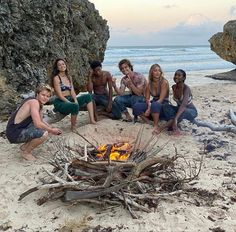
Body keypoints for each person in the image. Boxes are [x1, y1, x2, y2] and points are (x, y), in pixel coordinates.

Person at [6, 84, 62, 161]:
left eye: (48, 96)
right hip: (14, 133)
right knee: (43, 133)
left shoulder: (39, 104)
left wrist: (51, 128)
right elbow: (38, 124)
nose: (45, 97)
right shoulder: (34, 102)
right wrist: (51, 131)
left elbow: (41, 121)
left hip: (16, 129)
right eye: (43, 95)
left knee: (45, 128)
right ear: (37, 94)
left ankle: (24, 147)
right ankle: (26, 152)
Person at [50, 58, 96, 132]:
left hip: (70, 98)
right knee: (74, 105)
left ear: (66, 65)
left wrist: (75, 100)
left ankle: (92, 120)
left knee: (88, 96)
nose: (62, 66)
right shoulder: (56, 78)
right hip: (60, 101)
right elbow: (59, 95)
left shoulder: (69, 77)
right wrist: (70, 103)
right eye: (59, 65)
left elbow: (72, 92)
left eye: (63, 64)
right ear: (57, 67)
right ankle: (73, 127)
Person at [133, 64, 169, 134]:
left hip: (163, 104)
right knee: (136, 106)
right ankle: (148, 121)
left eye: (159, 71)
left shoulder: (164, 82)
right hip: (154, 104)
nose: (158, 72)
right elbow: (147, 99)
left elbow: (161, 99)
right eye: (155, 71)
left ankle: (155, 125)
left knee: (155, 104)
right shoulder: (149, 84)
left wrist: (149, 109)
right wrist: (149, 106)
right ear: (151, 72)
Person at [162, 69, 198, 134]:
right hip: (180, 109)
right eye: (175, 75)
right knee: (165, 106)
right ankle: (173, 121)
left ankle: (161, 128)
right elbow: (178, 104)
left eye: (179, 75)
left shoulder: (186, 88)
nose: (176, 76)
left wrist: (175, 118)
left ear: (184, 78)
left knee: (181, 112)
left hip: (191, 110)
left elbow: (183, 105)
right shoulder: (173, 87)